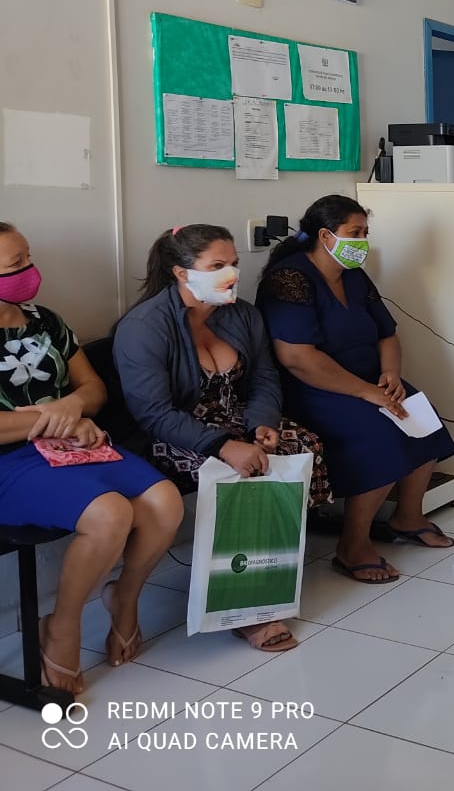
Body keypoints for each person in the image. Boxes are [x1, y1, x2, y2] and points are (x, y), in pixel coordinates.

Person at [114, 225, 331, 653]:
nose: (230, 273)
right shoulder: (145, 326)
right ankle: (248, 607)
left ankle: (268, 574)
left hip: (238, 419)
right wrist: (224, 446)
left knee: (301, 445)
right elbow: (154, 414)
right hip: (177, 431)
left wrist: (261, 424)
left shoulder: (242, 315)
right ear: (181, 272)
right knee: (242, 474)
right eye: (216, 266)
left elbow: (265, 377)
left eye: (233, 263)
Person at [0, 223, 183, 693]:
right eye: (13, 266)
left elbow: (93, 390)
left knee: (165, 502)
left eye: (27, 258)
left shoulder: (46, 321)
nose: (28, 272)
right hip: (10, 461)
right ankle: (62, 626)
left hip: (71, 441)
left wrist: (74, 409)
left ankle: (124, 598)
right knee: (110, 513)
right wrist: (58, 416)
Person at [256, 194, 454, 585]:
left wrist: (391, 374)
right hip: (315, 389)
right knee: (381, 435)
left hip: (369, 380)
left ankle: (407, 516)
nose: (362, 241)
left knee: (421, 415)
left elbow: (387, 333)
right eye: (355, 233)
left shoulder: (353, 275)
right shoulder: (290, 280)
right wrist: (365, 393)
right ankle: (353, 545)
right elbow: (298, 358)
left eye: (365, 232)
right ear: (325, 235)